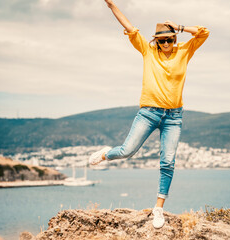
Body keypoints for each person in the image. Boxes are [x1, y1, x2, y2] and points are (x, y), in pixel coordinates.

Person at [89, 0, 209, 229]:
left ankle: (158, 208)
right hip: (148, 113)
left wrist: (181, 27)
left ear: (175, 39)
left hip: (174, 117)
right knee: (127, 151)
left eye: (170, 39)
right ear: (156, 40)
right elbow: (129, 26)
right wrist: (111, 5)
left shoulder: (185, 50)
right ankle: (106, 154)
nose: (166, 43)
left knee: (168, 162)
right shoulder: (147, 50)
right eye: (162, 40)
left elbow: (204, 33)